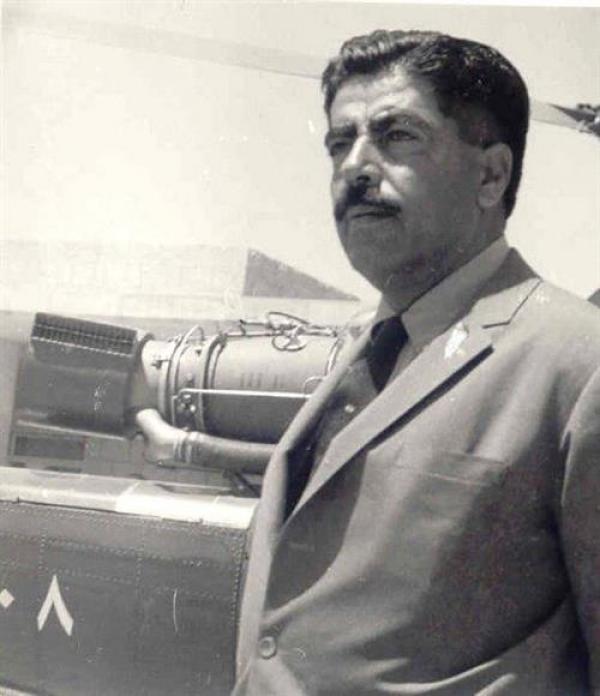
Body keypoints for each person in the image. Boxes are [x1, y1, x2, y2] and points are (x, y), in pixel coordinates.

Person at [233, 30, 600, 695]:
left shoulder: (580, 364)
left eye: (397, 136)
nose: (355, 166)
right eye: (339, 142)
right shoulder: (364, 353)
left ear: (491, 176)